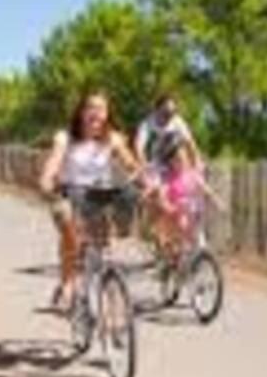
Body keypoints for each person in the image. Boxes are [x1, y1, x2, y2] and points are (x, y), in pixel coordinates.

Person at [38, 91, 144, 312]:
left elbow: (132, 165)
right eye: (91, 108)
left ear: (107, 114)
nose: (96, 113)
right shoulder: (65, 138)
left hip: (99, 196)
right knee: (69, 226)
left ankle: (113, 313)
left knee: (105, 252)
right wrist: (47, 179)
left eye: (102, 109)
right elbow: (53, 163)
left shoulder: (112, 139)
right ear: (81, 112)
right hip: (70, 193)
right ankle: (67, 282)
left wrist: (143, 179)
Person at [154, 132, 225, 260]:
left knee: (197, 241)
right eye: (176, 159)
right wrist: (170, 207)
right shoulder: (169, 180)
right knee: (180, 229)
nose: (180, 161)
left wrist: (217, 201)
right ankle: (177, 256)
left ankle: (194, 258)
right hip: (178, 216)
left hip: (194, 215)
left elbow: (205, 189)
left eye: (183, 156)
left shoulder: (192, 174)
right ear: (170, 163)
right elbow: (162, 198)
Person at [134, 93, 203, 176]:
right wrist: (144, 166)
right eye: (165, 112)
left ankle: (184, 173)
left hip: (172, 159)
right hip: (154, 161)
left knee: (179, 142)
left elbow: (190, 142)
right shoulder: (147, 124)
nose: (168, 116)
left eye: (172, 112)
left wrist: (197, 163)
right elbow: (139, 147)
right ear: (157, 109)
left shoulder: (177, 121)